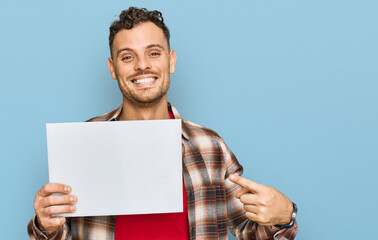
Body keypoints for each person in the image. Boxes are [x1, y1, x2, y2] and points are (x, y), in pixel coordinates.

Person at [28, 7, 298, 240]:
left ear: (171, 61)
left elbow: (249, 230)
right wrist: (45, 224)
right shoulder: (82, 143)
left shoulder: (210, 147)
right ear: (113, 68)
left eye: (154, 53)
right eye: (127, 57)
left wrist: (285, 215)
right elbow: (55, 233)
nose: (142, 66)